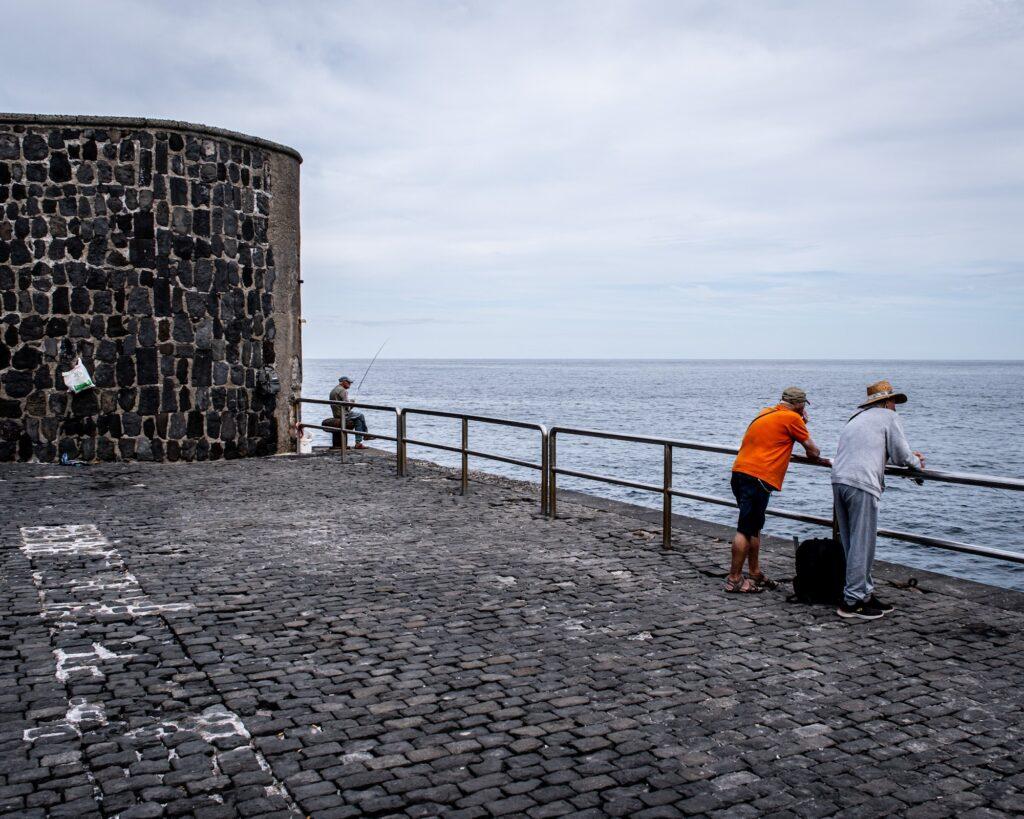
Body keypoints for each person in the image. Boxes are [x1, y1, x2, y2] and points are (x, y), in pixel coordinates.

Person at [832, 380, 925, 620]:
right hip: (862, 483)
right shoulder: (888, 417)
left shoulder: (856, 418)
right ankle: (852, 602)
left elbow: (872, 452)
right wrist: (916, 462)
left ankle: (864, 594)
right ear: (885, 402)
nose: (895, 406)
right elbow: (903, 455)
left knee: (852, 542)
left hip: (840, 480)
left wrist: (905, 459)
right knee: (863, 544)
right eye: (894, 401)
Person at [726, 387, 825, 593]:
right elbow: (814, 452)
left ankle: (754, 572)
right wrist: (801, 423)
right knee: (745, 528)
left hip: (739, 472)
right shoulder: (792, 419)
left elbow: (776, 434)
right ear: (801, 405)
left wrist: (799, 424)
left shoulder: (766, 412)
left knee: (753, 526)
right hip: (758, 477)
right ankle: (734, 578)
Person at [329, 376, 368, 449]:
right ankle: (366, 435)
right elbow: (347, 406)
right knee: (361, 415)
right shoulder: (343, 391)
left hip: (336, 414)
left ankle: (358, 443)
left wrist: (349, 404)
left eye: (350, 382)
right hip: (343, 414)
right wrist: (352, 403)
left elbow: (342, 405)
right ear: (343, 382)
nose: (350, 384)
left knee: (358, 420)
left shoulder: (333, 390)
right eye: (348, 382)